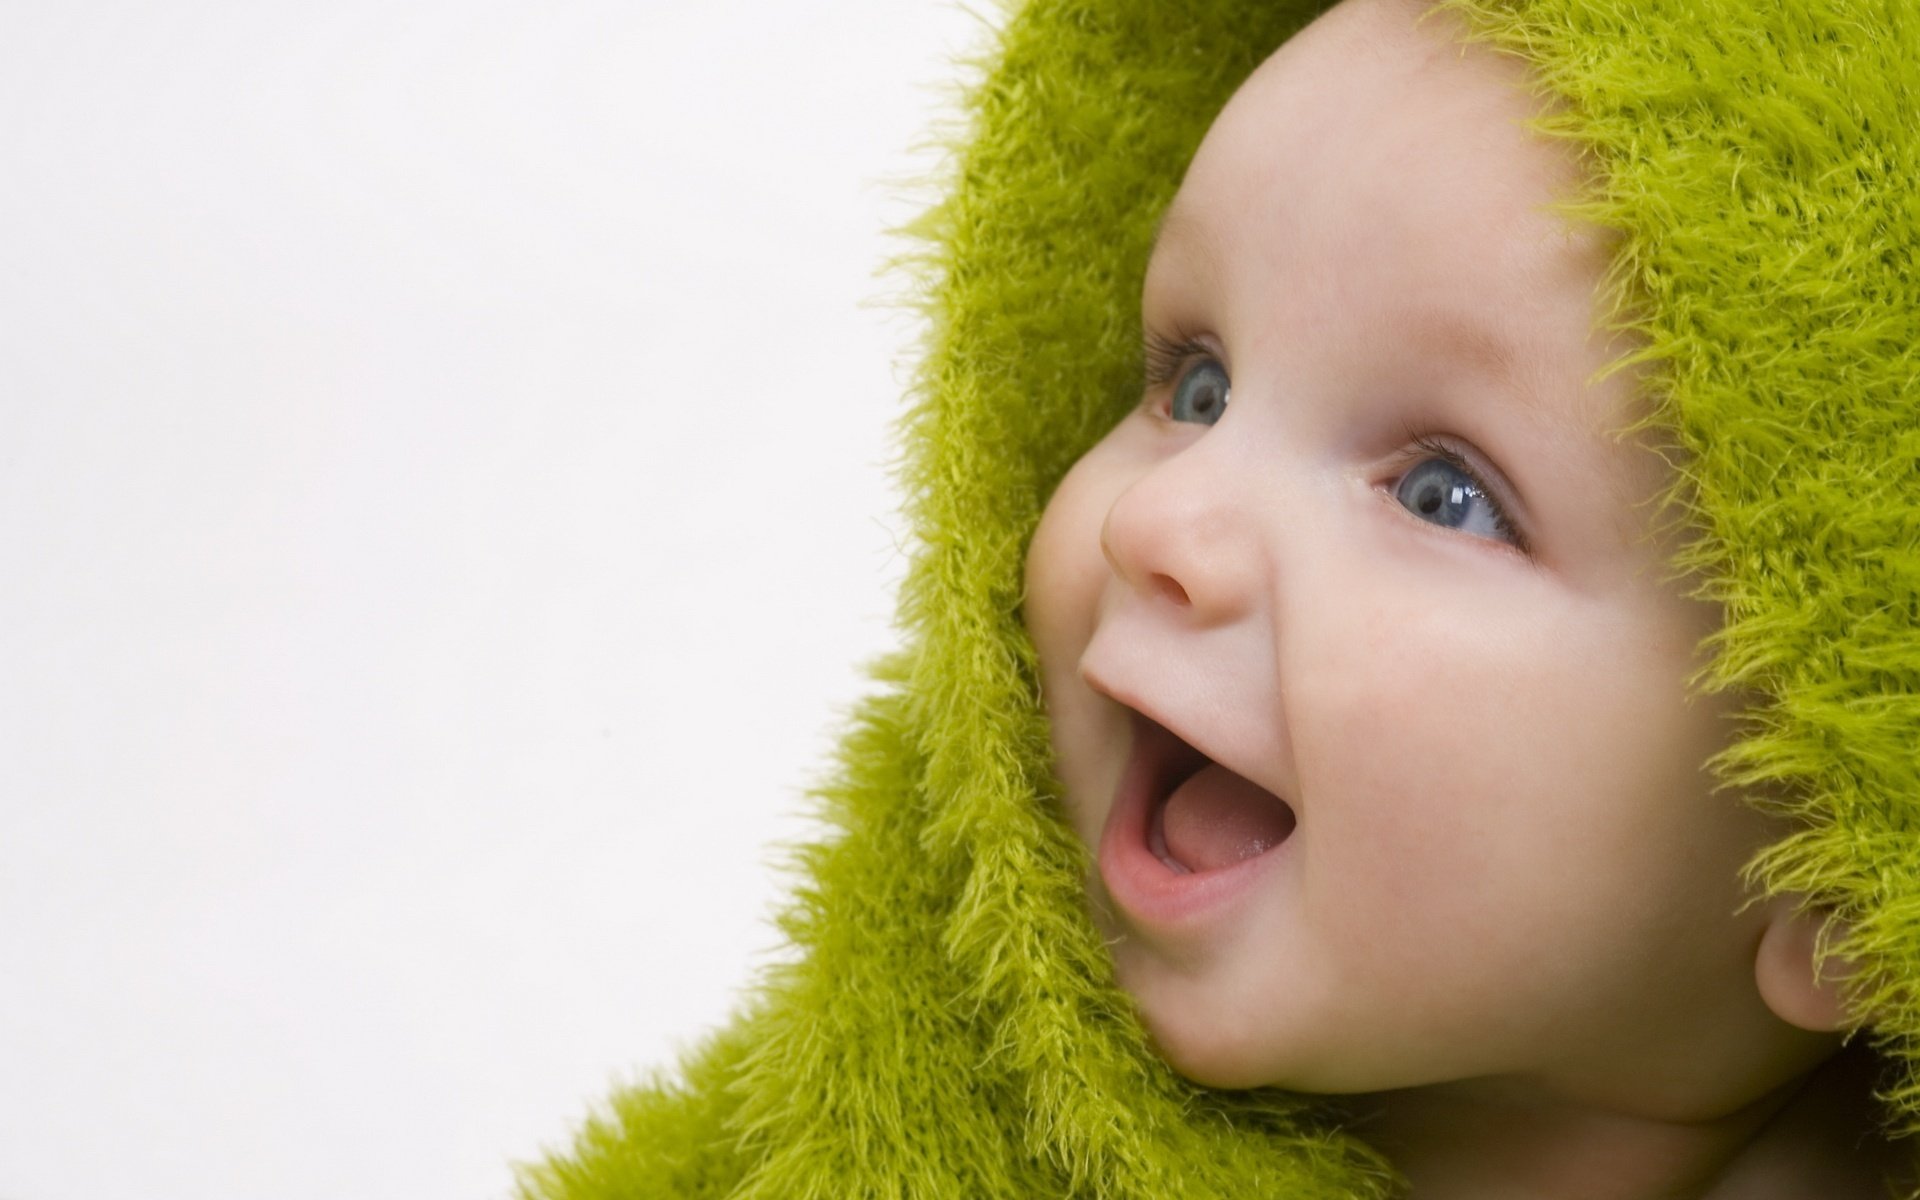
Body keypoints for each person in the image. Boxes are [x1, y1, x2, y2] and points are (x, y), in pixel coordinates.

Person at [516, 0, 1920, 1196]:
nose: (1160, 519)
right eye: (1196, 385)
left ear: (1843, 862)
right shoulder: (859, 1115)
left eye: (1444, 494)